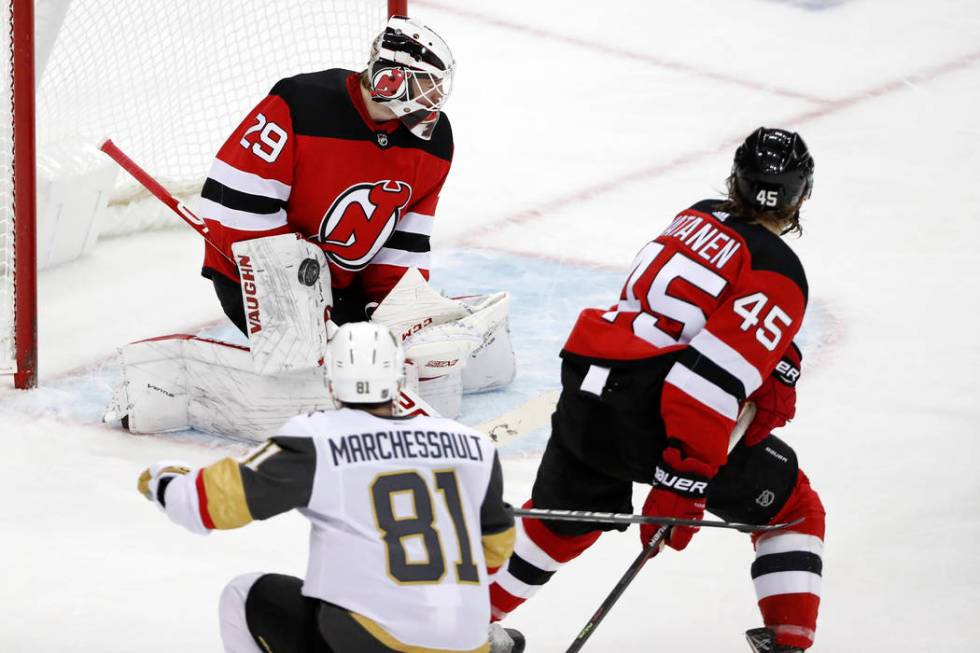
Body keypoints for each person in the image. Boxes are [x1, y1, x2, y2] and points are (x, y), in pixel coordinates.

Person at [487, 128, 826, 652]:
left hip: (586, 382)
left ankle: (457, 629)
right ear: (800, 194)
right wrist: (683, 482)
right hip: (654, 409)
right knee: (795, 508)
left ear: (735, 179)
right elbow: (705, 383)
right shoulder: (779, 270)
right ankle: (789, 644)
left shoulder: (696, 215)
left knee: (561, 521)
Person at [138, 322, 522, 653]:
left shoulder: (318, 439)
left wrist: (163, 478)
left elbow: (207, 507)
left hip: (371, 643)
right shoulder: (471, 446)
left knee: (243, 595)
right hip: (467, 644)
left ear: (330, 382)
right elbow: (496, 548)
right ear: (399, 379)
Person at [198, 15, 455, 328]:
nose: (434, 99)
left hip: (342, 289)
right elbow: (235, 206)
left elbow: (404, 244)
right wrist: (298, 284)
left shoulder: (435, 144)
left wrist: (395, 312)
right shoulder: (299, 104)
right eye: (426, 86)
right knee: (336, 361)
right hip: (256, 281)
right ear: (390, 80)